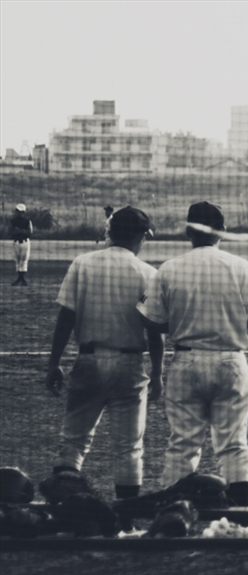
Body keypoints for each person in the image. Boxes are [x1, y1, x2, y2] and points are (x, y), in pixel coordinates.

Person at [137, 201, 248, 507]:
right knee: (234, 443)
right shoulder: (239, 266)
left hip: (185, 361)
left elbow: (151, 321)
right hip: (230, 360)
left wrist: (185, 317)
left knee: (182, 443)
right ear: (222, 232)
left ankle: (174, 514)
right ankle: (239, 514)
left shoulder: (169, 268)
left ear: (188, 231)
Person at [45, 207, 164, 504]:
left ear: (110, 232)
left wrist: (54, 363)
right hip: (130, 365)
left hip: (88, 361)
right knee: (128, 448)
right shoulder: (149, 273)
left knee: (73, 439)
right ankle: (125, 522)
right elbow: (154, 332)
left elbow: (65, 317)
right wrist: (159, 374)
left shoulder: (82, 264)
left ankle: (65, 509)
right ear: (139, 236)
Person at [10, 203, 32, 286]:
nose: (19, 213)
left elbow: (29, 232)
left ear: (23, 212)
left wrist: (18, 230)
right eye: (18, 211)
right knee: (17, 260)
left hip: (25, 242)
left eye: (20, 211)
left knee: (24, 260)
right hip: (16, 242)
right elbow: (10, 232)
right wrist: (22, 231)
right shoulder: (13, 221)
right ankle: (21, 279)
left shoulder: (27, 221)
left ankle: (20, 279)